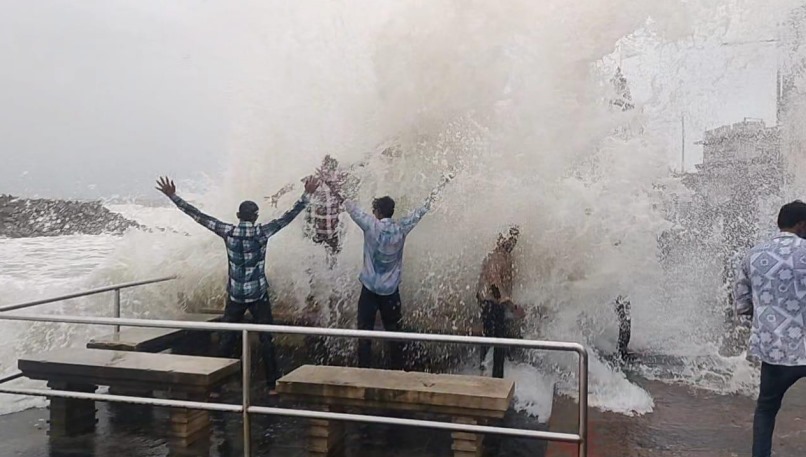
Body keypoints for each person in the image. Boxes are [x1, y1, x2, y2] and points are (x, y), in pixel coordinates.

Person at [156, 175, 320, 394]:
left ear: (238, 216)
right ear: (255, 217)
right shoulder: (262, 232)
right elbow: (288, 216)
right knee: (266, 339)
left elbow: (198, 215)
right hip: (258, 295)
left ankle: (215, 385)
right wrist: (307, 194)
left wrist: (173, 197)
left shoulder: (228, 231)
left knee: (227, 339)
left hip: (235, 296)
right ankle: (272, 385)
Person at [329, 174, 452, 369]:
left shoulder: (370, 225)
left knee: (364, 334)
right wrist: (441, 185)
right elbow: (422, 210)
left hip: (369, 290)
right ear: (391, 212)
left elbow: (348, 204)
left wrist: (330, 183)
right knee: (394, 334)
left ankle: (364, 371)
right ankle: (396, 371)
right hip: (391, 293)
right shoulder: (401, 228)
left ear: (377, 212)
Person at [734, 200, 806, 457]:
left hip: (773, 349)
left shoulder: (753, 255)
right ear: (801, 225)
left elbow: (742, 305)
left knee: (766, 410)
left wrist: (766, 317)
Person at [266, 155, 360, 268]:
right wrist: (277, 195)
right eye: (324, 168)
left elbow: (354, 179)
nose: (325, 171)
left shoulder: (338, 182)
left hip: (332, 231)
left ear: (333, 170)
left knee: (333, 260)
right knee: (312, 260)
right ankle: (312, 279)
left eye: (328, 169)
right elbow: (292, 185)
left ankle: (331, 278)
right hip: (315, 230)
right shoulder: (313, 180)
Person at [477, 227, 524, 378]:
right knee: (496, 341)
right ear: (502, 239)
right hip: (491, 304)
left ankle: (489, 373)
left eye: (515, 239)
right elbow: (494, 284)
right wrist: (510, 305)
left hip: (492, 304)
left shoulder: (503, 256)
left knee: (493, 340)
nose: (513, 242)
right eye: (511, 239)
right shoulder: (497, 257)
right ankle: (494, 377)